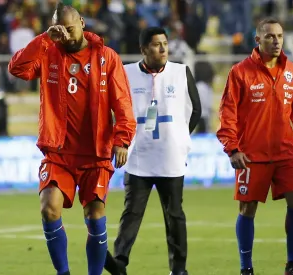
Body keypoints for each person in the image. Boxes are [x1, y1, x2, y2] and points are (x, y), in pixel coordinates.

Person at [8, 3, 136, 275]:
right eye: (59, 29)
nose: (65, 35)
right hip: (58, 152)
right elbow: (17, 69)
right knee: (49, 209)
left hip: (95, 152)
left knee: (95, 216)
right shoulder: (48, 52)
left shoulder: (107, 57)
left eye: (69, 28)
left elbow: (122, 102)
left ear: (82, 23)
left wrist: (122, 139)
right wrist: (44, 39)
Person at [216, 18, 293, 275]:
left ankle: (292, 264)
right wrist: (232, 148)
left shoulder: (292, 72)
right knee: (247, 207)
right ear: (258, 40)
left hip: (286, 153)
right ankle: (246, 268)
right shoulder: (240, 72)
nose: (276, 41)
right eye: (270, 36)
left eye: (280, 36)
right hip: (251, 155)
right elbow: (227, 114)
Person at [104, 27, 201, 275]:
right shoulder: (125, 75)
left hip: (171, 157)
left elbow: (196, 110)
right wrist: (121, 142)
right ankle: (120, 263)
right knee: (132, 212)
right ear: (143, 49)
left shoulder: (181, 72)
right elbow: (113, 110)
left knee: (175, 214)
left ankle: (179, 269)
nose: (163, 49)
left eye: (165, 44)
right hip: (137, 156)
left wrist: (178, 137)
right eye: (157, 45)